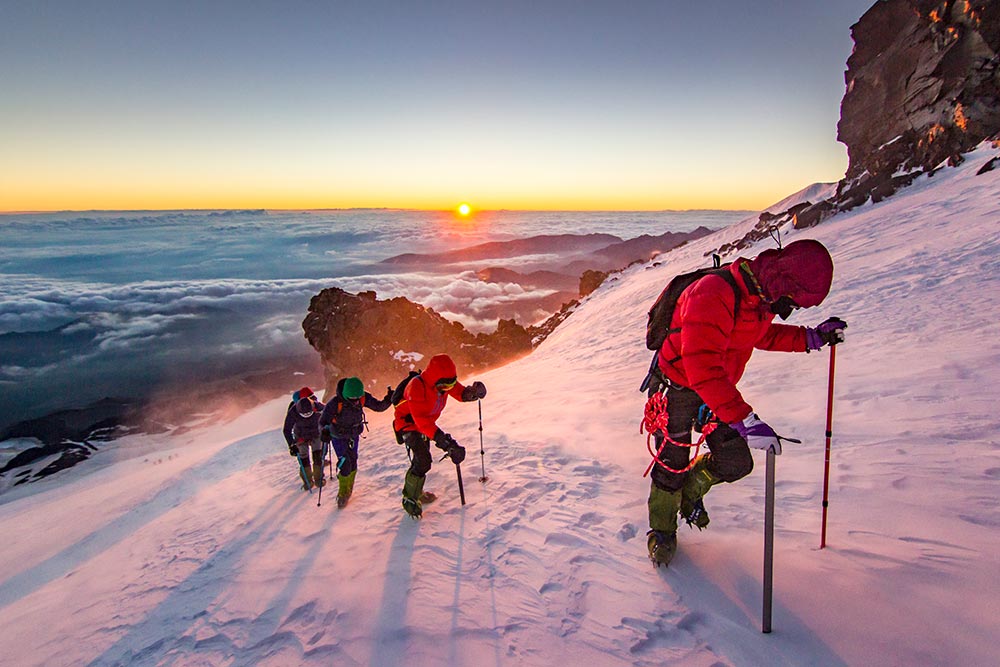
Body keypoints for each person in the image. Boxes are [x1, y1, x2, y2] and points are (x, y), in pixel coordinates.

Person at [644, 239, 847, 566]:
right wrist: (744, 420)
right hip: (678, 387)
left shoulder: (759, 301)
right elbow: (701, 366)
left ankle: (691, 491)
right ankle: (662, 532)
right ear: (786, 283)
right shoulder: (713, 293)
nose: (790, 309)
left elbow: (762, 336)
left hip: (715, 390)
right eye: (794, 301)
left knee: (736, 462)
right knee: (673, 462)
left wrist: (812, 337)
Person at [392, 354, 487, 517]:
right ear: (435, 379)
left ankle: (416, 492)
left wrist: (472, 393)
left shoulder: (444, 382)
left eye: (451, 384)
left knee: (421, 459)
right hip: (408, 424)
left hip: (425, 424)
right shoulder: (416, 387)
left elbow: (459, 392)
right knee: (423, 460)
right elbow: (422, 423)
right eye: (445, 386)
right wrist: (447, 444)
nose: (448, 388)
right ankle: (409, 498)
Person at [319, 376, 393, 508]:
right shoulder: (335, 403)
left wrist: (389, 399)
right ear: (345, 394)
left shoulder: (362, 397)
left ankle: (348, 490)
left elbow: (378, 406)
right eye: (352, 399)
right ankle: (342, 493)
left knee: (353, 462)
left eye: (357, 398)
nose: (355, 401)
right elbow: (323, 421)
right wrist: (324, 431)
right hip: (338, 436)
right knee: (345, 463)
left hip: (353, 435)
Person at [282, 389, 327, 491]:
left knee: (317, 456)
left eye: (309, 413)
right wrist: (291, 444)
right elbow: (287, 429)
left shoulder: (317, 405)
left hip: (315, 434)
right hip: (301, 436)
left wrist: (327, 428)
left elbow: (328, 411)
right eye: (304, 414)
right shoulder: (293, 411)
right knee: (304, 458)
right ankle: (308, 481)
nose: (307, 415)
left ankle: (318, 479)